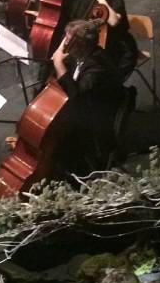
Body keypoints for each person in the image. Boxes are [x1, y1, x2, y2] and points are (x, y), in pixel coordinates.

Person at [51, 20, 124, 174]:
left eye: (68, 40)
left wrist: (58, 64)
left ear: (81, 45)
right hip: (88, 103)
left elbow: (76, 96)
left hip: (99, 114)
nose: (64, 44)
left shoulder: (97, 65)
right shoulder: (78, 55)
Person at [70, 0, 138, 79]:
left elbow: (113, 22)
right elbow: (79, 23)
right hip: (90, 47)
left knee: (98, 76)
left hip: (115, 49)